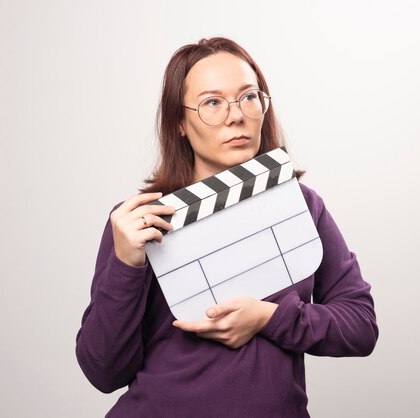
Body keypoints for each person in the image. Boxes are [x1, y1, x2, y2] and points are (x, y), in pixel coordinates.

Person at [75, 37, 378, 418]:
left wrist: (269, 317)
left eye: (249, 96)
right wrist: (126, 264)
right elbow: (103, 371)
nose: (236, 116)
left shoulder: (301, 205)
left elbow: (361, 326)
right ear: (179, 123)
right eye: (212, 103)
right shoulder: (141, 221)